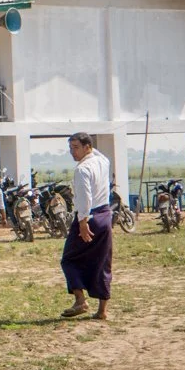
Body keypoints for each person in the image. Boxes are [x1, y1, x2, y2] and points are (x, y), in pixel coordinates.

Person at [60, 132, 113, 320]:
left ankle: (80, 299)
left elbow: (84, 198)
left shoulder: (82, 169)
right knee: (102, 262)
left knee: (69, 259)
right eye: (70, 148)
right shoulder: (103, 161)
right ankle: (102, 311)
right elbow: (100, 155)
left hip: (89, 217)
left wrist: (82, 222)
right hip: (105, 216)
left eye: (76, 147)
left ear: (87, 147)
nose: (72, 152)